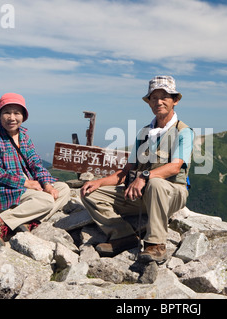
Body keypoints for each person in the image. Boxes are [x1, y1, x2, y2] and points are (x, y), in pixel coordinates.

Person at [81, 76, 194, 263]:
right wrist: (98, 182)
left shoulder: (184, 131)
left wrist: (145, 176)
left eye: (164, 96)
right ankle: (123, 235)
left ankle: (156, 244)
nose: (159, 101)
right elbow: (126, 171)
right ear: (149, 103)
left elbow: (175, 167)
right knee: (89, 193)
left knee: (156, 183)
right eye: (154, 97)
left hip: (171, 193)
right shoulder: (144, 133)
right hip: (142, 195)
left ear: (175, 100)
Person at [0, 93, 70, 247]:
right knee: (46, 201)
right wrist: (26, 183)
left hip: (23, 189)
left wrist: (47, 184)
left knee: (63, 189)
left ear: (23, 116)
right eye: (7, 112)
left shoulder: (24, 136)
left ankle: (27, 221)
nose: (12, 117)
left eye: (17, 113)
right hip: (1, 191)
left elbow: (36, 164)